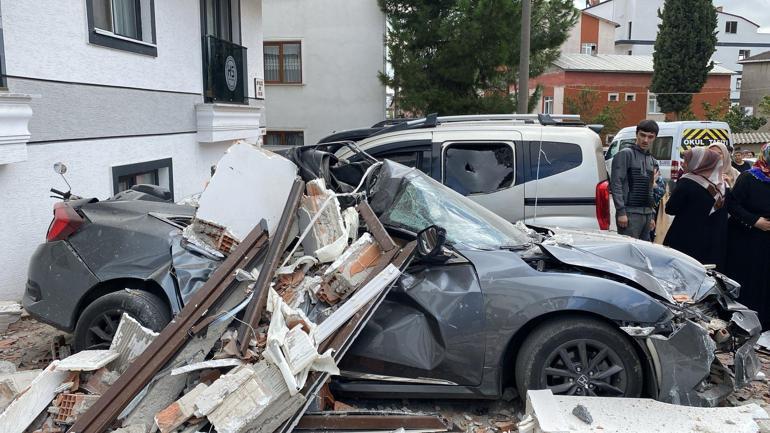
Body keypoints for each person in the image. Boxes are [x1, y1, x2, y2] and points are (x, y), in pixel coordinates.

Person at [726, 143, 770, 329]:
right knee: (751, 279)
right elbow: (733, 205)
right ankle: (746, 320)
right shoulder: (749, 177)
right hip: (749, 238)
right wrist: (754, 221)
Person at [662, 147, 727, 270]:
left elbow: (670, 209)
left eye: (686, 161)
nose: (683, 164)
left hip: (685, 239)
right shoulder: (722, 185)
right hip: (712, 241)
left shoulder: (687, 182)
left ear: (698, 162)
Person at [610, 120, 658, 240]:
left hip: (646, 214)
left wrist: (652, 215)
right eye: (643, 135)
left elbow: (650, 189)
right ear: (637, 134)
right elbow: (616, 184)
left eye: (650, 137)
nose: (646, 140)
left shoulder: (652, 160)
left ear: (655, 138)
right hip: (630, 213)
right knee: (629, 253)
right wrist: (621, 212)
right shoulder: (625, 154)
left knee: (644, 252)